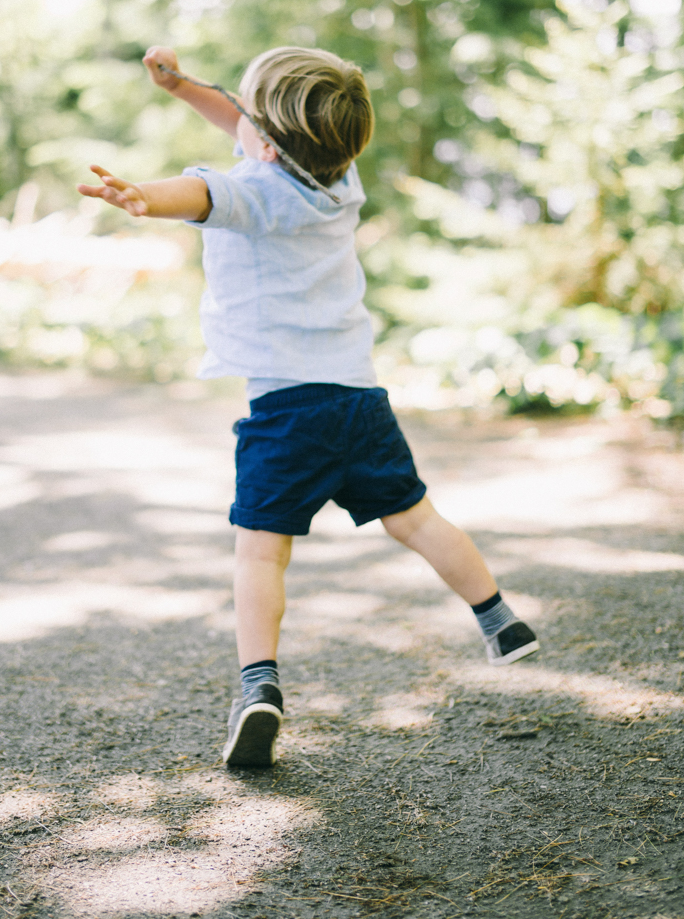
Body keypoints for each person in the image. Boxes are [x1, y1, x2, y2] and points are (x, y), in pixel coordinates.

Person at [78, 44, 539, 769]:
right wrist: (185, 88)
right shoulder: (338, 178)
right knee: (415, 518)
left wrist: (142, 195)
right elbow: (245, 123)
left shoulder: (252, 193)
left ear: (262, 144)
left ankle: (258, 684)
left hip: (287, 409)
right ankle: (498, 617)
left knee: (262, 550)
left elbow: (197, 193)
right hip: (358, 398)